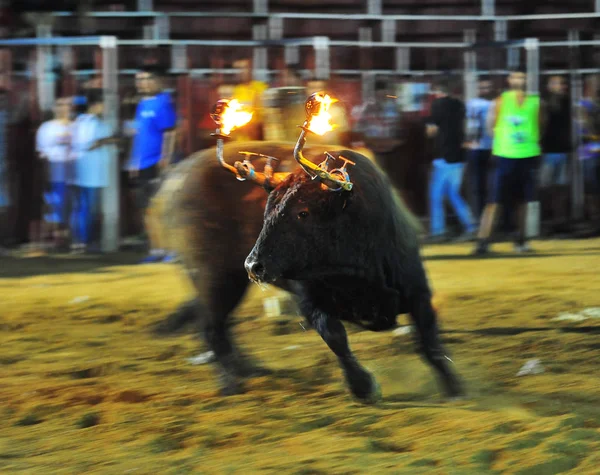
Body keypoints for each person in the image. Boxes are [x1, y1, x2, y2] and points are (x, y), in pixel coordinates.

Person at [473, 68, 544, 255]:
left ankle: (520, 241)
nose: (519, 80)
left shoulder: (535, 102)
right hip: (504, 156)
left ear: (527, 79)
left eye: (522, 76)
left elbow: (540, 125)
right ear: (509, 80)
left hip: (527, 155)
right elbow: (491, 127)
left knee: (524, 201)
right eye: (515, 76)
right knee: (493, 201)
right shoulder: (501, 101)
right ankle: (483, 242)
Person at [126, 64, 177, 263]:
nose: (142, 83)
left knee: (159, 208)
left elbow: (170, 133)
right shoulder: (142, 104)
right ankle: (156, 250)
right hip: (140, 165)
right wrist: (133, 161)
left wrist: (165, 159)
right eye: (139, 79)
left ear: (157, 81)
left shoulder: (162, 102)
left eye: (146, 79)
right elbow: (139, 136)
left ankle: (170, 249)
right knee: (146, 210)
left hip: (155, 163)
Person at [426, 76, 476, 242]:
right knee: (453, 193)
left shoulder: (437, 105)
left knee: (436, 195)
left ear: (437, 91)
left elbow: (431, 131)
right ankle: (470, 226)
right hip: (459, 155)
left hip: (444, 156)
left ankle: (438, 231)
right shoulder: (460, 105)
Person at [70, 89, 117, 253]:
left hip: (89, 173)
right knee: (87, 209)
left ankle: (82, 242)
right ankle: (84, 242)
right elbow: (88, 144)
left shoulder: (86, 122)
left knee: (84, 208)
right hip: (89, 173)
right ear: (96, 105)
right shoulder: (87, 123)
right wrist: (107, 140)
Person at [35, 96, 74, 251]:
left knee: (71, 207)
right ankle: (55, 239)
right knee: (54, 206)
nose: (64, 108)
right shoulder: (46, 128)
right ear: (54, 107)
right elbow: (41, 153)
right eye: (60, 104)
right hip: (55, 175)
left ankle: (68, 238)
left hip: (75, 175)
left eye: (67, 105)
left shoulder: (77, 126)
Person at [540, 75, 571, 234]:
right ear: (549, 86)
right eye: (557, 83)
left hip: (561, 150)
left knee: (560, 187)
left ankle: (559, 220)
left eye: (561, 83)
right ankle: (549, 220)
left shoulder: (567, 102)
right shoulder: (544, 103)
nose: (561, 86)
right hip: (549, 151)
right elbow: (541, 125)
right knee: (548, 187)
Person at [352, 79, 403, 170]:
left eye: (384, 93)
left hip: (392, 152)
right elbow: (359, 129)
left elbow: (400, 131)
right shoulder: (368, 108)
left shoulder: (395, 109)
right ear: (375, 94)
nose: (382, 95)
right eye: (379, 93)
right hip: (373, 150)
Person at [465, 77, 495, 221]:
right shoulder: (491, 104)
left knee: (483, 186)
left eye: (487, 87)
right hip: (478, 147)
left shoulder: (473, 103)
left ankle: (483, 218)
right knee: (478, 186)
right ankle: (480, 218)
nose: (485, 90)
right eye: (482, 87)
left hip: (487, 148)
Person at [230, 58, 268, 141]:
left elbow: (265, 114)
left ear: (250, 69)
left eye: (244, 68)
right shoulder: (237, 90)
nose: (241, 71)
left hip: (257, 137)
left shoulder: (260, 87)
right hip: (240, 138)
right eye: (238, 69)